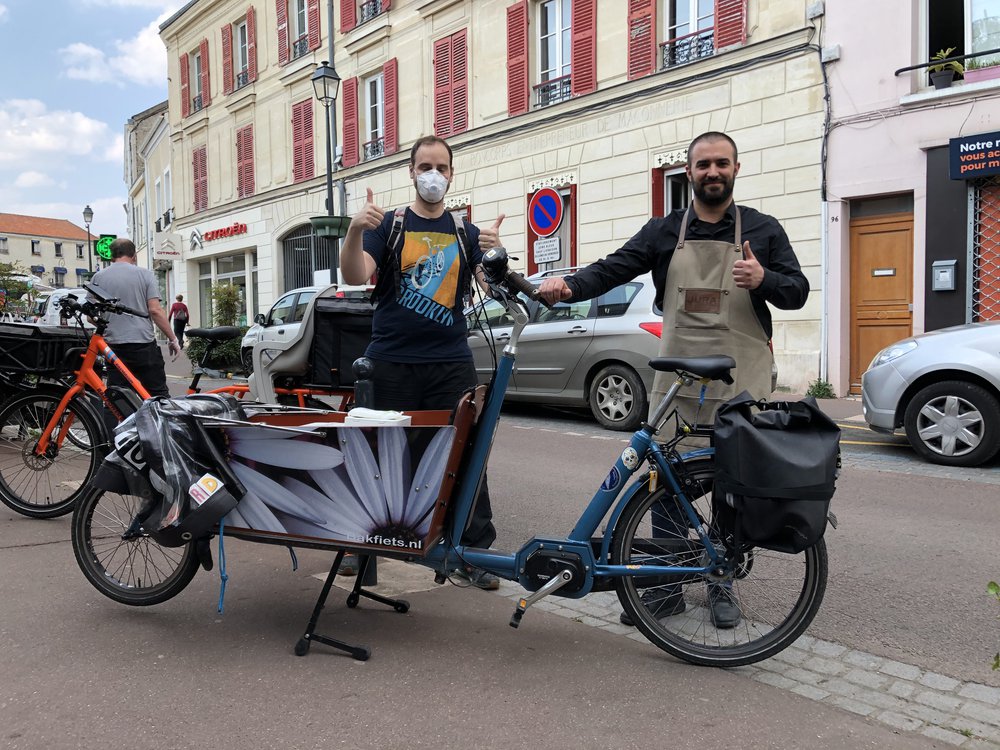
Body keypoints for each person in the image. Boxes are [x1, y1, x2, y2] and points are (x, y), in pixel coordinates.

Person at [539, 131, 809, 628]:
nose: (712, 172)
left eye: (721, 163)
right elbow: (612, 268)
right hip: (679, 378)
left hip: (741, 377)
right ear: (689, 172)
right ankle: (661, 590)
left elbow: (798, 292)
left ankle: (720, 583)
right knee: (664, 480)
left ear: (736, 168)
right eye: (703, 164)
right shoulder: (664, 231)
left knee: (733, 485)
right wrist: (568, 286)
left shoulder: (764, 231)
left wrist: (765, 280)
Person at [341, 135, 504, 589]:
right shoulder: (387, 224)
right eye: (424, 166)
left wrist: (493, 253)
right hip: (389, 361)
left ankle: (472, 553)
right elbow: (355, 274)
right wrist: (354, 230)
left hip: (450, 363)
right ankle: (362, 545)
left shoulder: (463, 231)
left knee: (468, 455)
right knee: (376, 455)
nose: (433, 174)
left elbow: (490, 290)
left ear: (451, 174)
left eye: (441, 167)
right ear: (411, 172)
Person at [89, 238, 180, 422]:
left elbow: (91, 316)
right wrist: (173, 338)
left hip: (114, 347)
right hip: (143, 344)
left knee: (115, 398)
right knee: (157, 395)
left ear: (112, 255)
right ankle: (166, 438)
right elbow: (155, 310)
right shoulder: (145, 275)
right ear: (134, 255)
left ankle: (113, 443)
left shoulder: (98, 277)